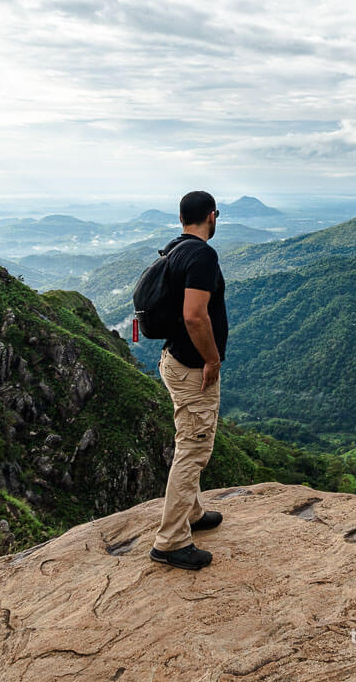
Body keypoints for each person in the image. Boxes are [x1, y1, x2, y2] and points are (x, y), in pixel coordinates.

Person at [149, 190, 229, 570]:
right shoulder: (202, 255)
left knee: (188, 436)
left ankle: (193, 514)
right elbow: (195, 316)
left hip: (172, 360)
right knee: (194, 449)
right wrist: (212, 359)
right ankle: (171, 541)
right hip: (193, 369)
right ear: (212, 216)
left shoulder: (175, 249)